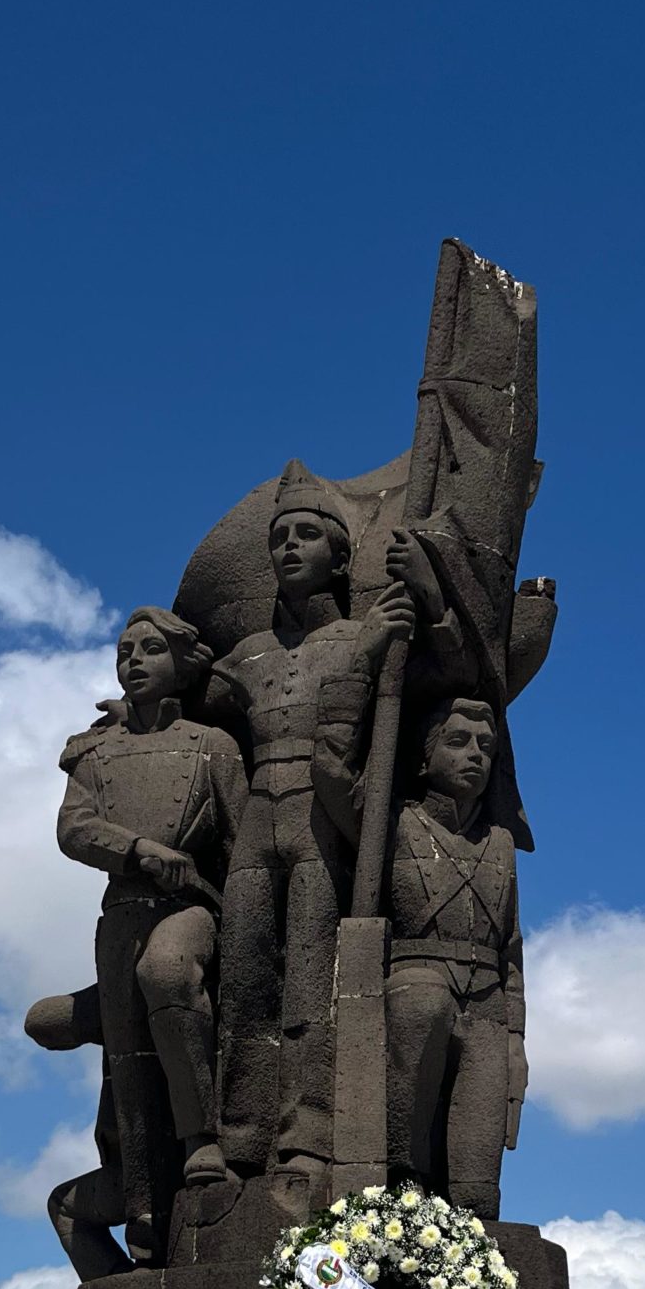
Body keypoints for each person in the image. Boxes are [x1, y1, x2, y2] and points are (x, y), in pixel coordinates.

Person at [199, 461, 427, 1213]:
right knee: (244, 983)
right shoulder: (244, 658)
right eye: (280, 539)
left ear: (338, 552)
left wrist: (417, 585)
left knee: (312, 982)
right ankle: (241, 1138)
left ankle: (310, 1135)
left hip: (321, 821)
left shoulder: (367, 636)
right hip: (255, 820)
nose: (290, 549)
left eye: (307, 535)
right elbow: (185, 701)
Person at [55, 607, 245, 1260]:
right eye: (123, 650)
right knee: (127, 1061)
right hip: (122, 910)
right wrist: (135, 849)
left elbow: (242, 841)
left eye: (149, 648)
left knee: (166, 974)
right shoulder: (98, 754)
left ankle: (202, 1140)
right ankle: (142, 1207)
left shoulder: (211, 747)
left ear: (182, 664)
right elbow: (73, 829)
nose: (132, 659)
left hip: (191, 907)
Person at [383, 696, 524, 1218]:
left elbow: (511, 951)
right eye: (458, 741)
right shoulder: (394, 823)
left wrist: (516, 1038)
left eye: (485, 747)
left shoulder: (502, 844)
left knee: (476, 1194)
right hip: (416, 983)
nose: (475, 755)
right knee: (423, 1003)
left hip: (486, 1004)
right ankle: (402, 1178)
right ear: (424, 758)